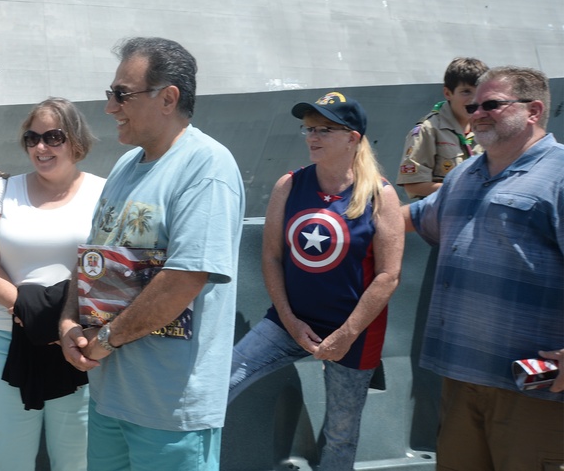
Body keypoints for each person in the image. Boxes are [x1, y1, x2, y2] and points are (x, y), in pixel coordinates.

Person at [59, 37, 245, 471]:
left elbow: (183, 279)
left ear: (168, 98)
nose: (110, 106)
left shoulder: (208, 168)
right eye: (111, 93)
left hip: (169, 410)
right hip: (110, 398)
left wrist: (104, 340)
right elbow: (92, 257)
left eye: (121, 94)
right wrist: (69, 320)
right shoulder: (126, 166)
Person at [226, 91, 404, 470]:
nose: (312, 136)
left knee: (341, 433)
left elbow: (388, 276)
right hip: (289, 322)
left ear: (353, 138)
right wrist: (290, 322)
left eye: (325, 129)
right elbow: (272, 256)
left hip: (354, 334)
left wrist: (346, 334)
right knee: (220, 384)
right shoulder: (289, 186)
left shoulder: (380, 195)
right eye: (309, 128)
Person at [404, 66, 563, 469]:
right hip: (460, 379)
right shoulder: (463, 175)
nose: (477, 114)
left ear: (534, 110)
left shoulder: (558, 176)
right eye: (474, 105)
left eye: (492, 105)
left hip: (533, 389)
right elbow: (414, 216)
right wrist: (338, 212)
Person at [0, 98, 106, 471]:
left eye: (53, 137)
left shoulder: (104, 192)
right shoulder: (4, 189)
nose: (40, 148)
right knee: (4, 457)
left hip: (77, 342)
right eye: (32, 138)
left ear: (75, 141)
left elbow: (106, 265)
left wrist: (60, 320)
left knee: (78, 458)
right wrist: (25, 308)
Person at [397, 57, 488, 199]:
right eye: (466, 91)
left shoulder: (485, 129)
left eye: (479, 92)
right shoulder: (429, 130)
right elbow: (413, 185)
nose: (473, 99)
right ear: (447, 93)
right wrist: (461, 191)